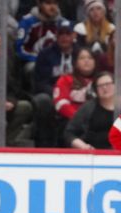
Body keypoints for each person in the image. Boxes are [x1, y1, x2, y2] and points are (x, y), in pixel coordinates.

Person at [32, 19, 77, 147]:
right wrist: (58, 94)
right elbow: (39, 82)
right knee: (42, 100)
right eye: (61, 34)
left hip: (76, 94)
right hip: (52, 94)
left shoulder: (80, 53)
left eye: (67, 34)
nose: (64, 37)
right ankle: (44, 145)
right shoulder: (45, 54)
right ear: (56, 35)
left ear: (74, 35)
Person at [64, 71, 115, 148]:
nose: (104, 88)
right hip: (92, 154)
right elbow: (69, 133)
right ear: (95, 90)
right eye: (100, 86)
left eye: (108, 84)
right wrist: (83, 146)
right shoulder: (88, 107)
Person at [53, 46, 96, 121]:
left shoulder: (102, 80)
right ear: (75, 63)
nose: (86, 60)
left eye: (90, 58)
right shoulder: (65, 79)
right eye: (82, 58)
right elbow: (61, 104)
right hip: (72, 122)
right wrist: (79, 118)